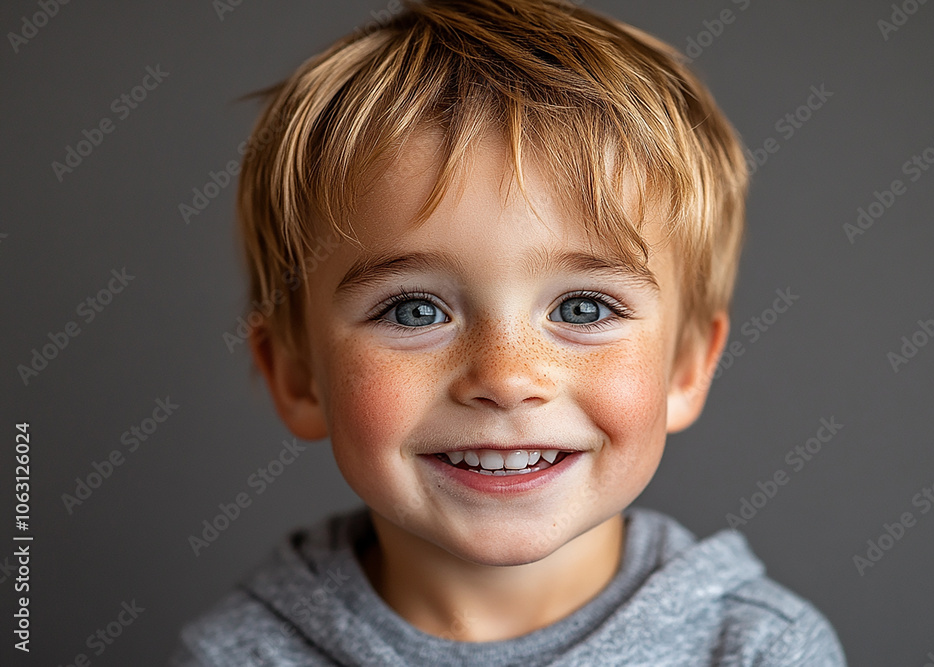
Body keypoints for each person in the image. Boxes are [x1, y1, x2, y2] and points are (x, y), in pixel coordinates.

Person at [170, 0, 847, 663]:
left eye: (583, 308)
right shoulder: (235, 654)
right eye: (414, 310)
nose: (505, 377)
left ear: (687, 366)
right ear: (296, 375)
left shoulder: (765, 651)